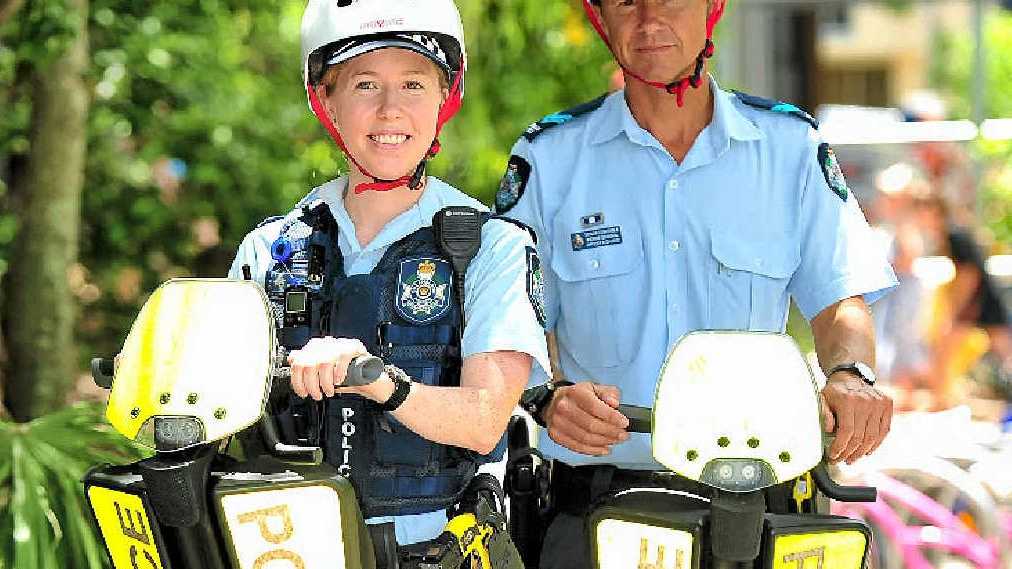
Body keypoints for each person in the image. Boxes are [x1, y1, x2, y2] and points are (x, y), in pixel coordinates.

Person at [496, 1, 897, 567]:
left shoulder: (789, 149)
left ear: (712, 9)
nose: (648, 18)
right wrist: (548, 396)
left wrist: (852, 375)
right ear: (599, 16)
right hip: (601, 515)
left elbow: (840, 302)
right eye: (625, 1)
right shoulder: (550, 160)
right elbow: (514, 324)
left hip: (764, 513)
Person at [227, 0, 550, 549]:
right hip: (286, 548)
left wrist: (375, 378)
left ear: (446, 98)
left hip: (436, 549)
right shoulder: (270, 249)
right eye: (365, 85)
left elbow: (483, 420)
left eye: (414, 85)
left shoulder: (492, 246)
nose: (390, 111)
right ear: (323, 99)